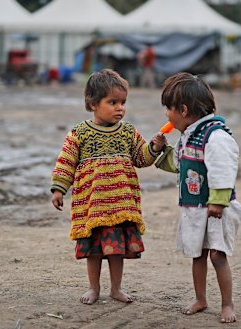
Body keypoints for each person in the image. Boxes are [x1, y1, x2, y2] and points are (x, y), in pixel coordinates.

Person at [50, 69, 164, 305]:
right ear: (93, 104)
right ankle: (94, 288)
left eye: (123, 102)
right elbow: (66, 162)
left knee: (116, 250)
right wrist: (59, 189)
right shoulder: (80, 133)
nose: (120, 108)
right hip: (92, 208)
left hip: (121, 206)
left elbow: (141, 159)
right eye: (112, 102)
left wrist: (153, 147)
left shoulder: (128, 132)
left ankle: (116, 288)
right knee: (94, 252)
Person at [152, 72, 241, 323]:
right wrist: (163, 151)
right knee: (198, 254)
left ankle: (227, 303)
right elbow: (181, 165)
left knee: (217, 255)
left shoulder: (215, 136)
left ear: (182, 109)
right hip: (194, 207)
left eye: (168, 109)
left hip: (216, 208)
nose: (167, 116)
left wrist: (218, 201)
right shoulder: (187, 136)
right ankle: (201, 298)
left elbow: (224, 169)